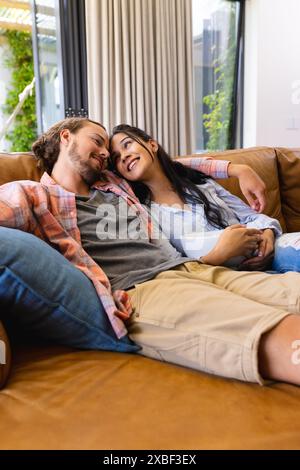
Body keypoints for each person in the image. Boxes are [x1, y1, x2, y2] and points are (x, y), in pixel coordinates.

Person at [0, 117, 299, 387]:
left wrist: (237, 168)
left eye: (109, 149)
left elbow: (173, 165)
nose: (106, 153)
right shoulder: (32, 194)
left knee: (291, 290)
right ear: (66, 137)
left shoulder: (113, 183)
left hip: (193, 268)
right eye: (98, 141)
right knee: (268, 330)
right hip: (143, 288)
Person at [109, 124, 300, 274]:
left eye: (128, 144)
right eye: (117, 158)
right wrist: (220, 254)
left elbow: (251, 216)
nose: (124, 156)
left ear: (152, 144)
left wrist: (267, 232)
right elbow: (173, 266)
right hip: (227, 275)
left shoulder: (201, 183)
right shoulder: (145, 214)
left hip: (269, 251)